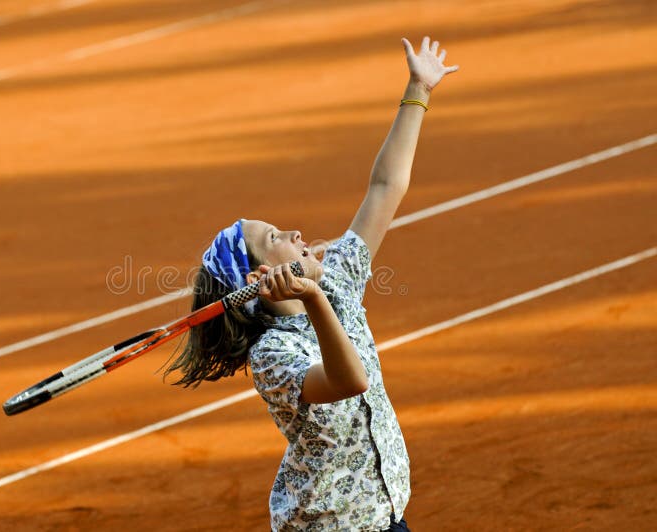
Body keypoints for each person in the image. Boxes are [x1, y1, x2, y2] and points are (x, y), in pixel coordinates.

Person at [165, 36, 458, 531]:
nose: (297, 233)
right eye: (275, 236)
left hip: (385, 517)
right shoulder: (273, 358)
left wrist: (417, 91)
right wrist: (314, 298)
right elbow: (348, 380)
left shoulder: (336, 277)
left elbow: (386, 188)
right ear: (260, 278)